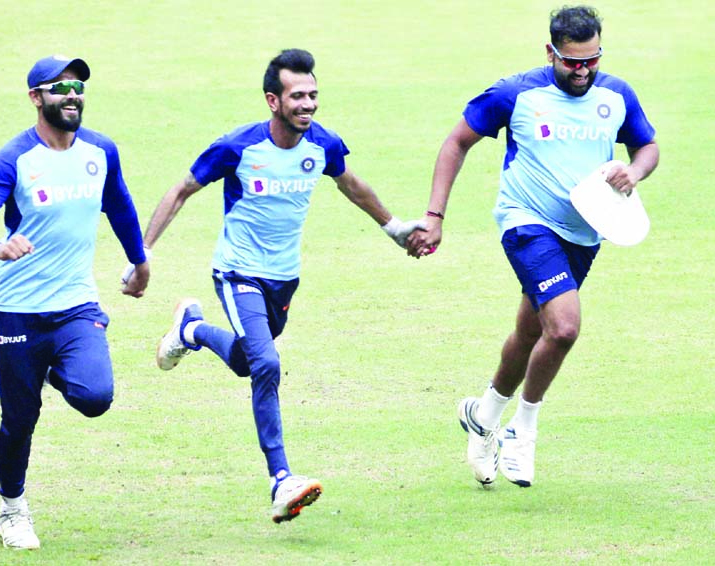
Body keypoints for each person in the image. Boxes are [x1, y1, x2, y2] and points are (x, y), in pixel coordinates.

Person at [140, 48, 422, 523]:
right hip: (237, 272)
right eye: (297, 96)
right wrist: (142, 254)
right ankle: (280, 479)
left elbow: (351, 185)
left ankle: (191, 330)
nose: (308, 104)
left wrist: (394, 230)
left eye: (313, 95)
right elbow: (181, 190)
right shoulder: (238, 147)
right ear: (273, 101)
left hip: (284, 280)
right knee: (267, 362)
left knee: (248, 362)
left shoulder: (323, 146)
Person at [407, 5, 659, 488]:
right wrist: (435, 216)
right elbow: (456, 142)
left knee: (530, 333)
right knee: (563, 329)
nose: (583, 71)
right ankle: (522, 431)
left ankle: (483, 416)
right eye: (572, 62)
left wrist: (636, 171)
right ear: (551, 52)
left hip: (587, 231)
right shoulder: (516, 94)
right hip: (527, 223)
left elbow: (646, 146)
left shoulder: (616, 94)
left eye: (592, 60)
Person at [0, 55, 150, 549]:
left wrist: (139, 261)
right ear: (36, 97)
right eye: (59, 87)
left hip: (76, 304)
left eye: (78, 86)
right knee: (20, 420)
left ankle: (51, 364)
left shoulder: (100, 151)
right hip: (18, 309)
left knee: (95, 396)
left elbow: (119, 205)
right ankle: (11, 510)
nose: (72, 94)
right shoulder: (15, 158)